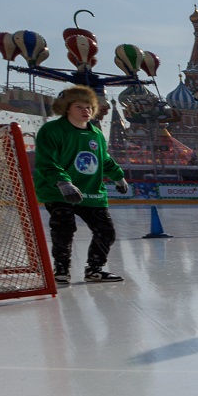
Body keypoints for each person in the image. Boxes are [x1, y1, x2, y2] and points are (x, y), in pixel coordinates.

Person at [32, 85, 128, 284]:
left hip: (90, 191)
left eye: (88, 107)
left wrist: (118, 176)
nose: (86, 111)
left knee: (106, 231)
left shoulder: (96, 134)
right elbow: (46, 161)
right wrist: (63, 183)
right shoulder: (52, 130)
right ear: (67, 108)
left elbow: (104, 159)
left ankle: (95, 269)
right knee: (64, 226)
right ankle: (61, 269)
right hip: (58, 190)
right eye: (79, 106)